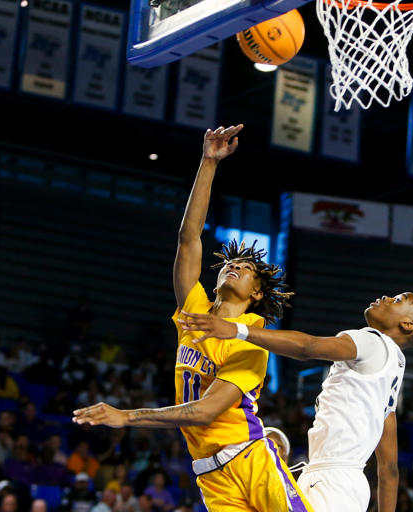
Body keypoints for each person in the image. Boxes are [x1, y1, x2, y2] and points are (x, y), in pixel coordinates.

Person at [72, 125, 313, 512]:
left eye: (245, 267)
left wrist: (127, 416)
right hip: (209, 474)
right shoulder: (194, 311)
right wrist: (208, 163)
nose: (234, 265)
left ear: (256, 294)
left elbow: (205, 411)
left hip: (249, 459)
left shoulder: (253, 338)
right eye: (230, 262)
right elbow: (188, 239)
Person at [180, 279, 413, 512]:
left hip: (330, 481)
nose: (386, 297)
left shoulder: (373, 341)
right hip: (348, 487)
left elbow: (308, 347)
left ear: (407, 325)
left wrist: (237, 330)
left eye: (397, 300)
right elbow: (389, 470)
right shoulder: (391, 376)